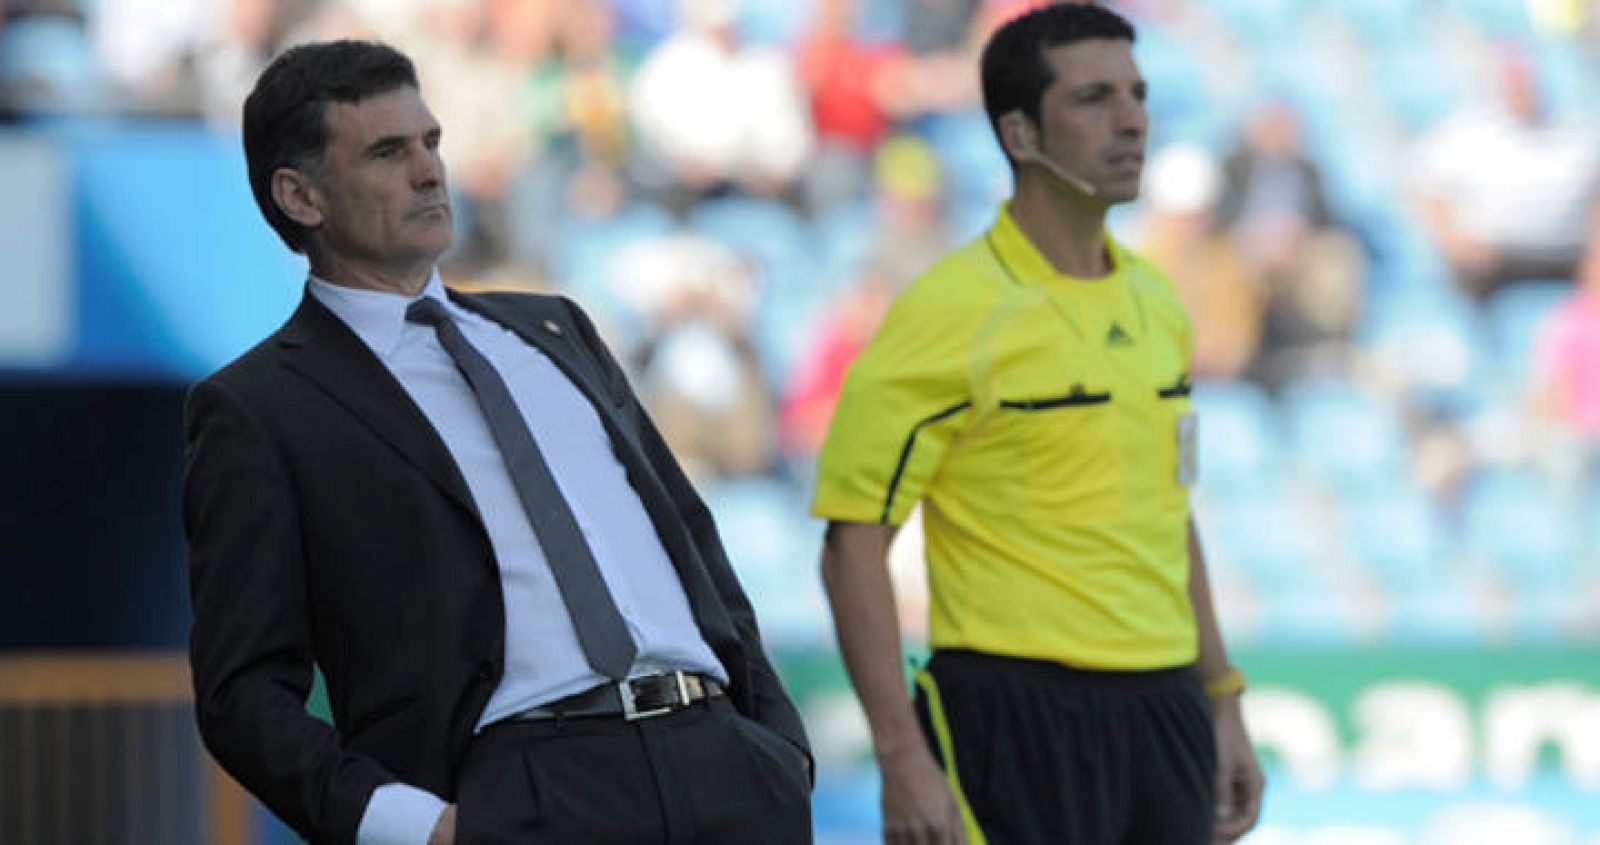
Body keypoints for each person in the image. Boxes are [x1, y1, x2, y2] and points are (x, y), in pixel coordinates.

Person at [183, 40, 811, 845]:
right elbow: (240, 695)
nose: (429, 171)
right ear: (301, 196)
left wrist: (779, 748)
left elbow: (689, 539)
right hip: (523, 786)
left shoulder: (557, 327)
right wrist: (414, 827)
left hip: (725, 764)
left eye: (431, 142)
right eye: (387, 152)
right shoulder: (257, 407)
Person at [810, 5, 1263, 844]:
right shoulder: (948, 312)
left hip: (1165, 707)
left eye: (1137, 94)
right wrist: (902, 755)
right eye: (1093, 98)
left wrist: (1221, 697)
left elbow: (1172, 513)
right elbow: (851, 540)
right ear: (1019, 133)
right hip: (1012, 715)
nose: (1131, 120)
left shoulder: (1159, 302)